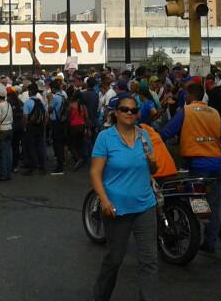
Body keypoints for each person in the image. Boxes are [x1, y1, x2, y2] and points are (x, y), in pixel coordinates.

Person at [90, 95, 158, 301]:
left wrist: (153, 162)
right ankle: (100, 296)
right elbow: (95, 173)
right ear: (116, 113)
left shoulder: (144, 136)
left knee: (150, 261)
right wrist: (104, 200)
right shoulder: (105, 138)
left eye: (133, 110)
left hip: (145, 206)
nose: (129, 113)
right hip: (117, 208)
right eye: (124, 109)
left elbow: (152, 169)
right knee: (115, 259)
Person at [160, 81, 221, 253]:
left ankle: (209, 230)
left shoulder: (186, 111)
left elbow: (167, 132)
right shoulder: (213, 112)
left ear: (190, 96)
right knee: (212, 203)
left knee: (196, 201)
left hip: (198, 166)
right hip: (216, 163)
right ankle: (211, 240)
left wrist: (152, 140)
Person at [22, 82, 48, 175]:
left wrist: (25, 127)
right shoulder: (41, 102)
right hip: (40, 127)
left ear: (31, 91)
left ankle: (32, 167)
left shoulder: (28, 103)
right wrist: (44, 127)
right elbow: (45, 116)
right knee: (40, 147)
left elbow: (25, 117)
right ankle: (42, 167)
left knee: (31, 147)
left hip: (31, 127)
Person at [66, 90, 89, 170]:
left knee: (71, 145)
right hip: (82, 126)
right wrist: (87, 128)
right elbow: (87, 117)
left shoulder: (71, 105)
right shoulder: (83, 106)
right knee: (80, 143)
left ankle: (78, 159)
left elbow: (68, 117)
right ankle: (82, 159)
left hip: (73, 126)